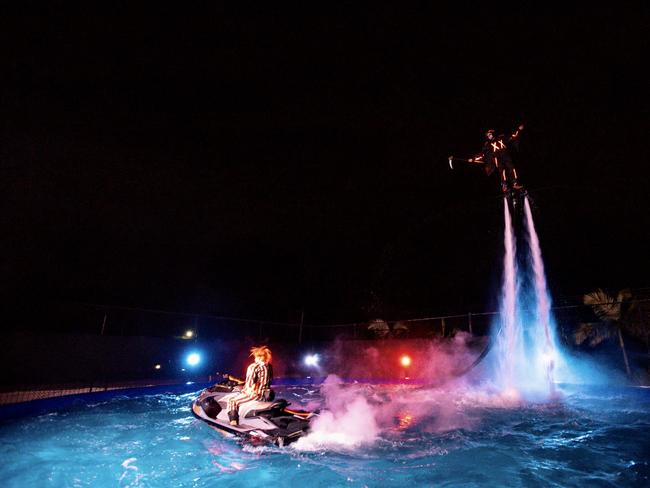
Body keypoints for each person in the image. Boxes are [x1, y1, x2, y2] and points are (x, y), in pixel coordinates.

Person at [468, 124, 525, 194]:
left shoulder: (501, 137)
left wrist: (518, 130)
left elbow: (511, 136)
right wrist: (473, 159)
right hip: (497, 159)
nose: (489, 136)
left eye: (489, 134)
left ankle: (515, 183)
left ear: (492, 134)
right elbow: (482, 154)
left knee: (511, 168)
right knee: (502, 171)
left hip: (506, 156)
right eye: (487, 136)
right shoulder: (487, 145)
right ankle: (504, 185)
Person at [226, 345, 274, 426]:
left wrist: (242, 389)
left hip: (256, 395)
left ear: (258, 357)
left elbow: (250, 384)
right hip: (267, 395)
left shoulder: (254, 366)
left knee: (232, 401)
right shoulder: (269, 366)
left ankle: (233, 422)